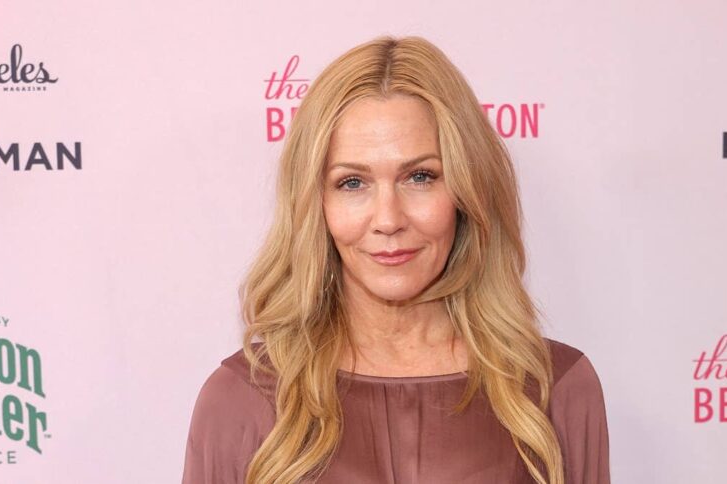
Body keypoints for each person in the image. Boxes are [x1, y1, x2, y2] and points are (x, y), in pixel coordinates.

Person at [182, 35, 610, 484]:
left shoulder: (555, 391)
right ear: (315, 202)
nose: (388, 219)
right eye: (352, 183)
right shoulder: (241, 399)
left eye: (419, 177)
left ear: (466, 191)